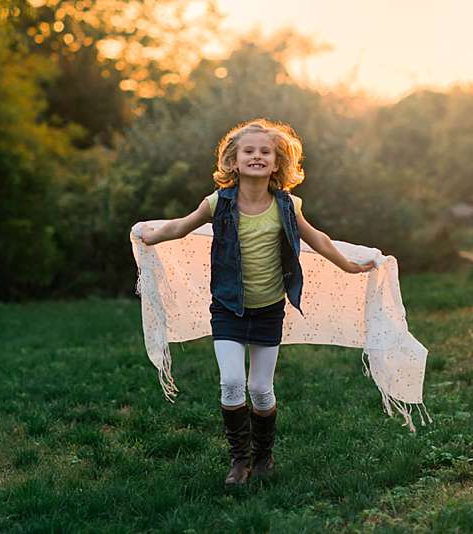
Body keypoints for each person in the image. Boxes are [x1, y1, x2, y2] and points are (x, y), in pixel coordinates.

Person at [138, 118, 375, 486]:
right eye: (248, 151)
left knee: (261, 389)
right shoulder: (218, 202)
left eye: (265, 152)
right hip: (228, 309)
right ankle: (239, 461)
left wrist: (347, 266)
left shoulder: (287, 205)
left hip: (268, 310)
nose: (257, 156)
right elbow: (180, 227)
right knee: (232, 382)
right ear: (232, 161)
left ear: (277, 163)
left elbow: (319, 240)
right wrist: (149, 237)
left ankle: (264, 456)